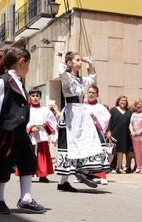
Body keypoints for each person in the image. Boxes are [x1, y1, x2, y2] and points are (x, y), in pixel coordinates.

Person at [0, 40, 46, 214]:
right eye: (28, 63)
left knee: (28, 161)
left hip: (20, 132)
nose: (28, 68)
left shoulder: (18, 82)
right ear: (21, 61)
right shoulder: (3, 81)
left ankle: (26, 198)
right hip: (6, 131)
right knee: (3, 163)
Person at [56, 52, 108, 191]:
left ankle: (76, 175)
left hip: (81, 113)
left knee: (88, 141)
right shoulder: (67, 77)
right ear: (70, 63)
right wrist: (63, 59)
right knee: (71, 146)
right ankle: (68, 179)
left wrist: (89, 63)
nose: (80, 62)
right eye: (77, 60)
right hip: (71, 114)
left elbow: (92, 79)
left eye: (80, 60)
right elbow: (61, 71)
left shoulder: (80, 79)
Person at [26, 89, 57, 183]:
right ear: (30, 97)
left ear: (40, 97)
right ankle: (27, 174)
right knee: (28, 156)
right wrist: (30, 128)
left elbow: (52, 122)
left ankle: (43, 175)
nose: (35, 98)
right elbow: (22, 122)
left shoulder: (45, 110)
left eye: (37, 96)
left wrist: (44, 126)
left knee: (42, 156)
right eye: (33, 96)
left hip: (42, 135)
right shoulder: (26, 110)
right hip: (30, 137)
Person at [84, 85, 110, 184]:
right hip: (85, 134)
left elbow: (107, 119)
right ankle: (85, 174)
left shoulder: (101, 108)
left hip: (97, 134)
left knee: (99, 154)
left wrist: (95, 119)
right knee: (86, 154)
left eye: (93, 93)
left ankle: (101, 175)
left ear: (97, 95)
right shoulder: (83, 106)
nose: (90, 94)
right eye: (89, 92)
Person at [107, 96, 132, 173]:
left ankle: (119, 167)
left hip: (124, 134)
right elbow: (109, 122)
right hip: (114, 133)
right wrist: (109, 131)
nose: (123, 102)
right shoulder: (113, 110)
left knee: (121, 151)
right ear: (118, 101)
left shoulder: (128, 111)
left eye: (125, 101)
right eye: (122, 100)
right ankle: (106, 167)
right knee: (111, 151)